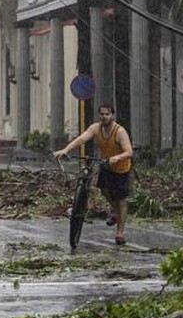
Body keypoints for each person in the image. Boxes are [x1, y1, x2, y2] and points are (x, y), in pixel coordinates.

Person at [53, 104, 133, 245]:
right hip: (106, 165)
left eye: (107, 114)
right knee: (104, 191)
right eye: (101, 114)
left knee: (121, 200)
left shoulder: (120, 132)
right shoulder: (96, 128)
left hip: (121, 168)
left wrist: (117, 158)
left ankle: (120, 232)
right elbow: (81, 139)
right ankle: (114, 212)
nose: (104, 117)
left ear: (112, 116)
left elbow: (129, 152)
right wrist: (65, 150)